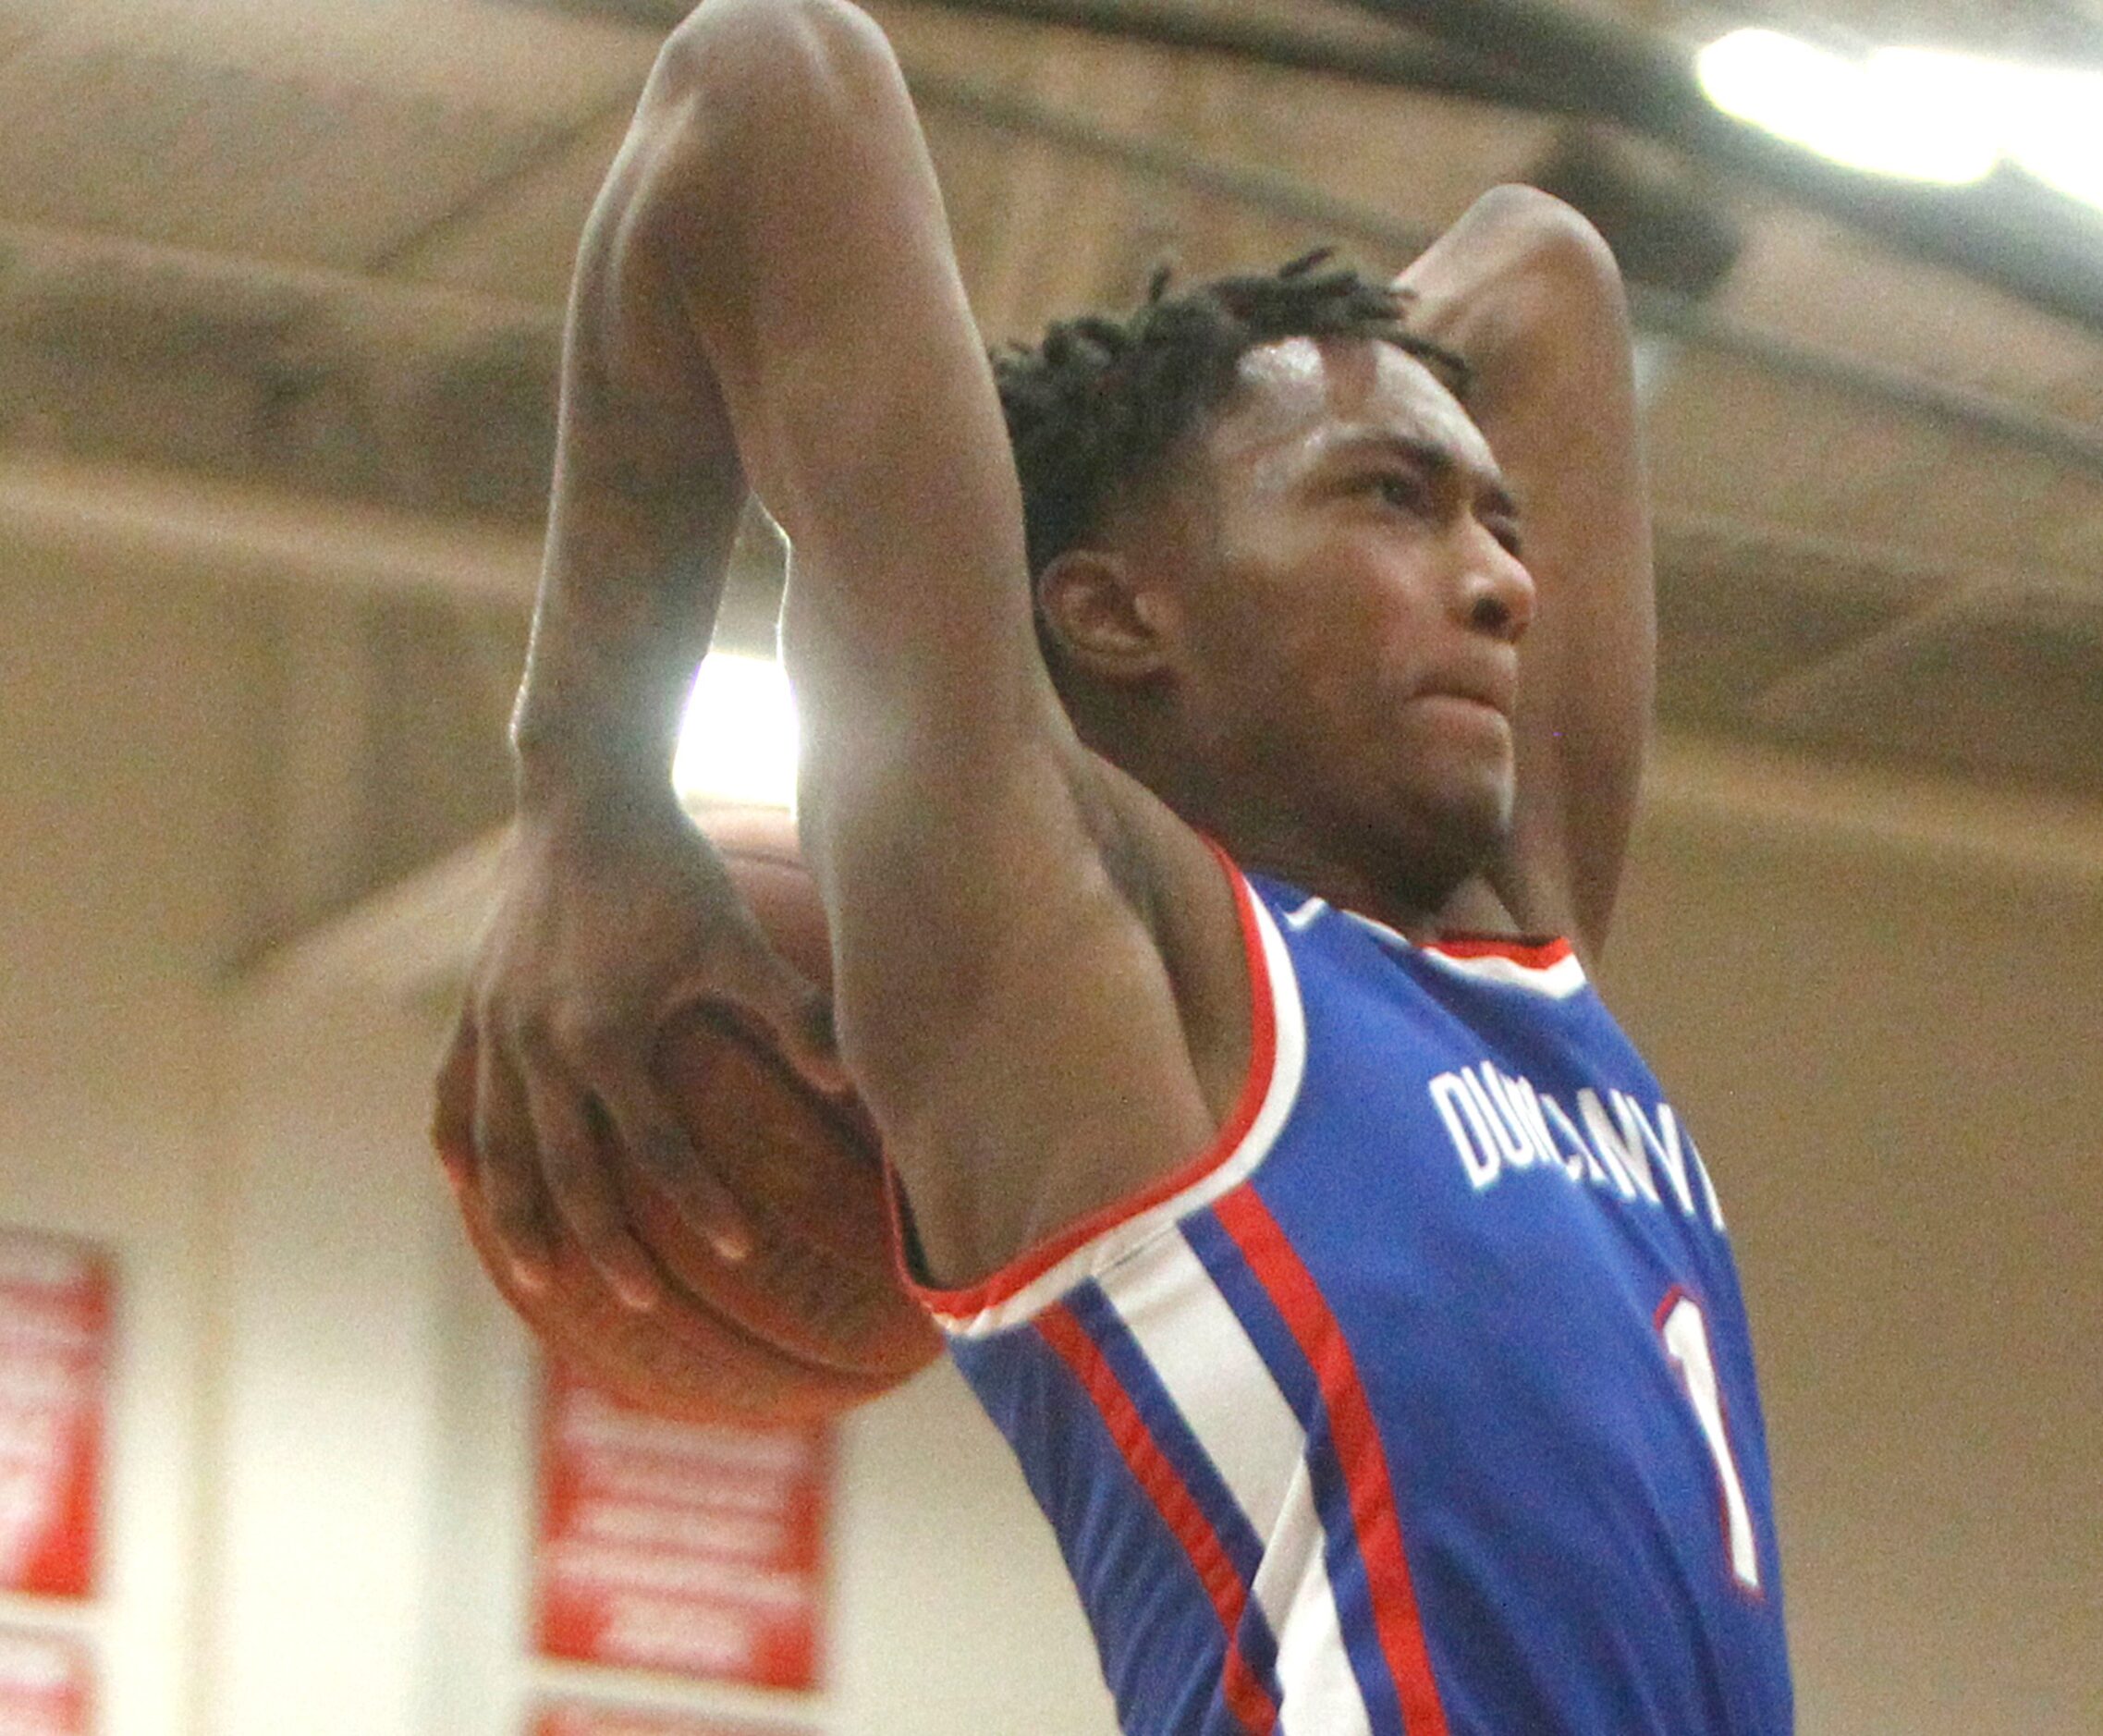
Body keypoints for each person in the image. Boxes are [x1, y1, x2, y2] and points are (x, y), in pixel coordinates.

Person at [434, 0, 1793, 1729]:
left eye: (1497, 521)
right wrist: (587, 798)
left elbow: (1547, 273)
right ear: (1110, 606)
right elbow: (759, 81)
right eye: (1392, 502)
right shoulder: (1089, 974)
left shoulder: (1507, 949)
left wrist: (1282, 397)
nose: (1505, 582)